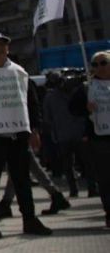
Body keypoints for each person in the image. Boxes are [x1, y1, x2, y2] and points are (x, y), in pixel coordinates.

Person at [0, 32, 52, 239]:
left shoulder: (20, 72)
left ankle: (29, 219)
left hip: (18, 135)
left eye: (2, 45)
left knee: (22, 180)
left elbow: (31, 103)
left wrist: (35, 130)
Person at [72, 50, 110, 227]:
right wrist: (85, 107)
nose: (99, 68)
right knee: (105, 177)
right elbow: (72, 108)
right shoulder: (87, 87)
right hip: (100, 138)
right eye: (95, 64)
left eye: (103, 63)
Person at [43, 71, 90, 198]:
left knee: (70, 165)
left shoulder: (51, 96)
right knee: (81, 163)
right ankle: (89, 188)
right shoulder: (76, 92)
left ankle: (76, 189)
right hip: (76, 133)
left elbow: (47, 118)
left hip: (66, 134)